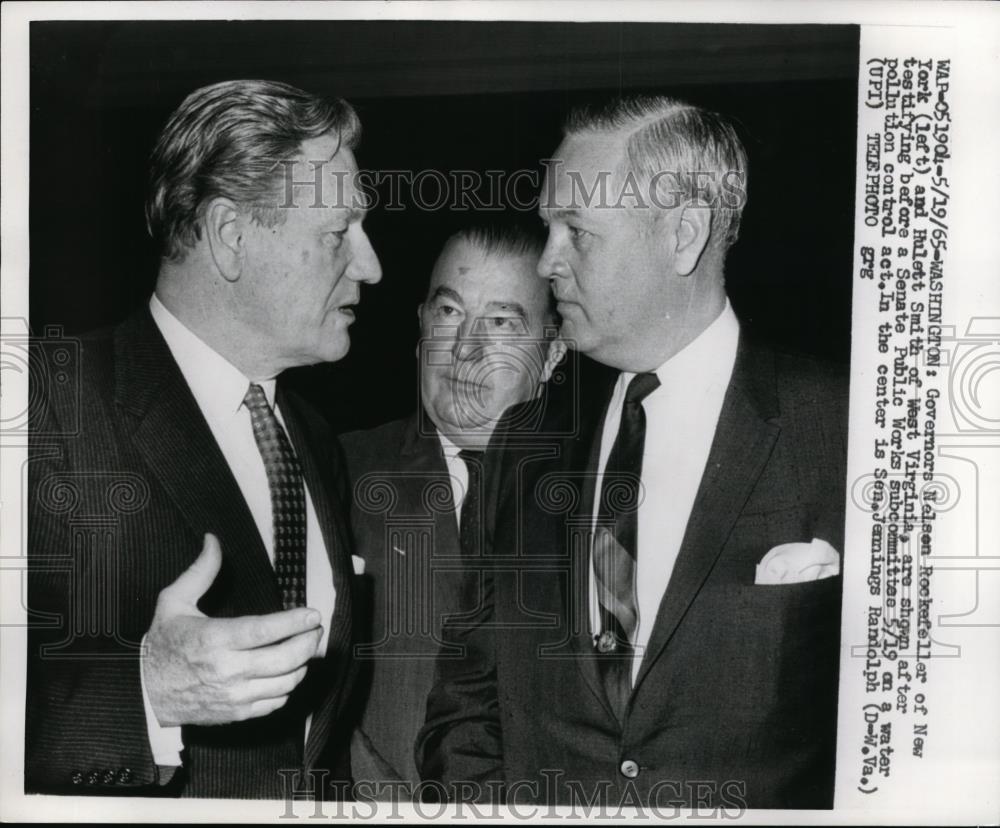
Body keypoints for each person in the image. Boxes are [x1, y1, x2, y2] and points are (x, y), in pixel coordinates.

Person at [417, 96, 848, 809]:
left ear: (684, 236)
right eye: (547, 227)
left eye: (577, 232)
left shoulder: (844, 425)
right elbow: (467, 707)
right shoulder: (528, 442)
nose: (548, 262)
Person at [26, 79, 381, 798]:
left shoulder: (313, 439)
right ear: (230, 237)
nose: (372, 266)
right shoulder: (46, 403)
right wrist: (148, 694)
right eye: (338, 231)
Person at [340, 224, 565, 797]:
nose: (465, 349)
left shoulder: (598, 498)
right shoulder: (334, 471)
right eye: (448, 312)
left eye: (501, 323)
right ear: (420, 328)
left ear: (551, 354)